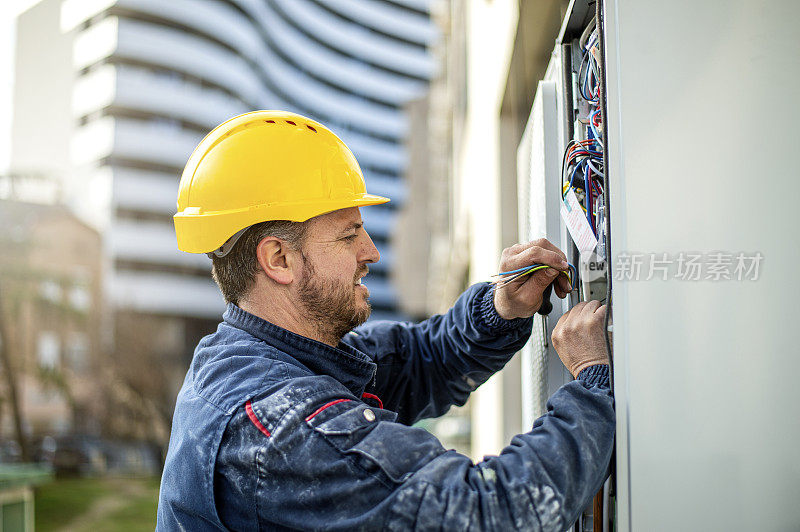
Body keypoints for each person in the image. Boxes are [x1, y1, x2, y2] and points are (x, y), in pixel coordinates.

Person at [156, 110, 614, 531]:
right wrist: (594, 384)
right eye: (349, 234)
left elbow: (419, 359)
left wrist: (501, 307)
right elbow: (492, 513)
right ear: (278, 259)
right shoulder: (279, 432)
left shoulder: (265, 358)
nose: (370, 252)